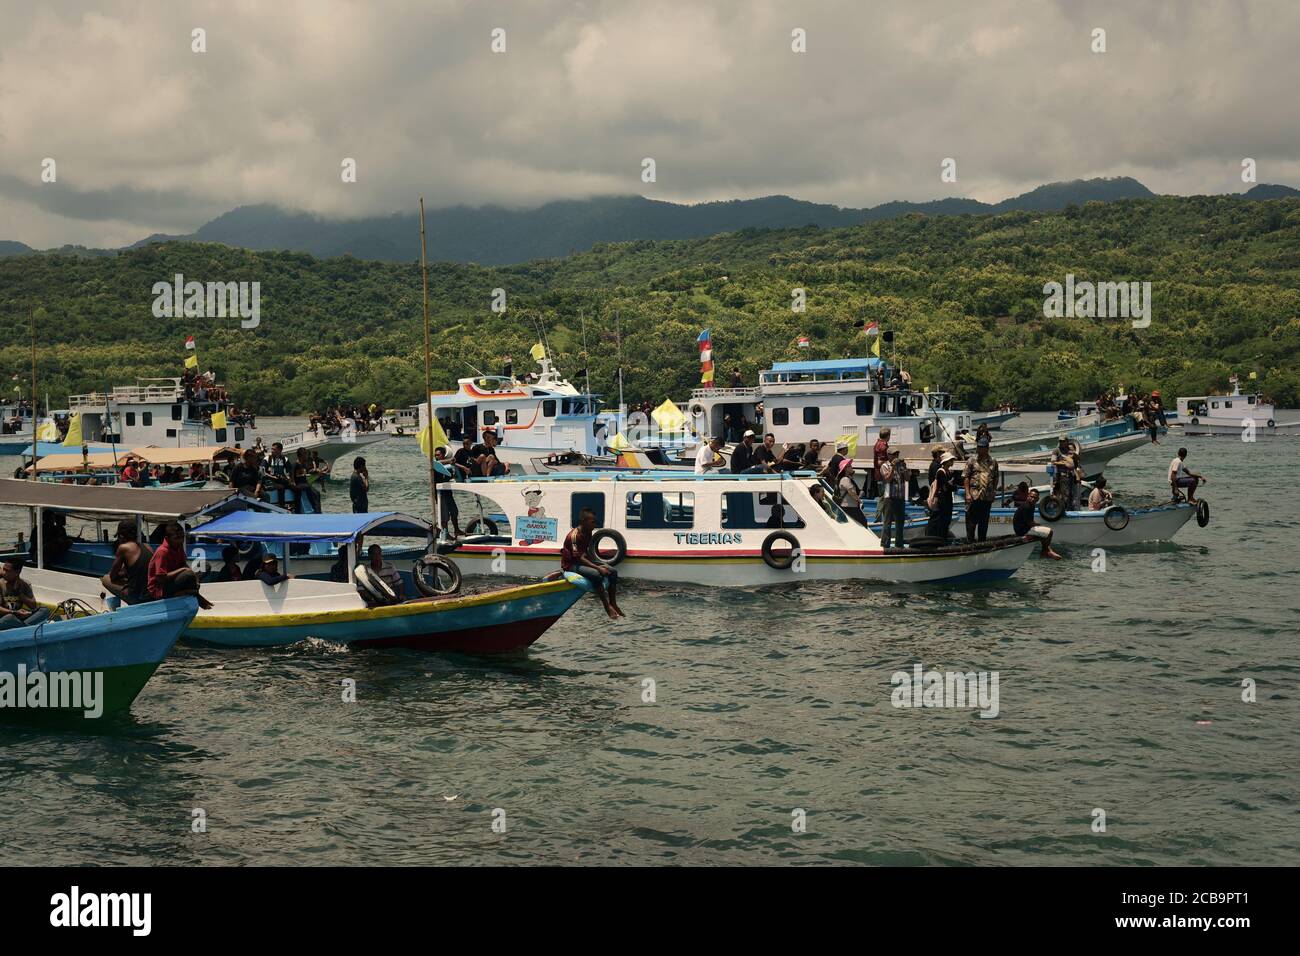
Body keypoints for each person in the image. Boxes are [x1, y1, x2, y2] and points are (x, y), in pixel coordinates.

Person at [561, 508, 623, 619]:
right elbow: (578, 558)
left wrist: (600, 564)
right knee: (596, 575)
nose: (595, 525)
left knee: (613, 572)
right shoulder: (574, 536)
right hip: (572, 564)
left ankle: (613, 603)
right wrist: (598, 568)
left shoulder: (588, 532)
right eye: (592, 522)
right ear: (584, 521)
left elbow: (586, 552)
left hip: (583, 560)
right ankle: (607, 606)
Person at [147, 521, 212, 608]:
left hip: (176, 580)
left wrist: (195, 579)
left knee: (205, 566)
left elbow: (184, 564)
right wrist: (184, 570)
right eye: (176, 538)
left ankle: (191, 591)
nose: (180, 541)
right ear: (168, 538)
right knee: (187, 574)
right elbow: (160, 578)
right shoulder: (162, 551)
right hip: (160, 588)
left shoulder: (178, 546)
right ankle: (191, 593)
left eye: (182, 537)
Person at [101, 518, 153, 604]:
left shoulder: (123, 548)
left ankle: (131, 601)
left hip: (140, 597)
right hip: (153, 593)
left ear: (121, 536)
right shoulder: (147, 546)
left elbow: (112, 576)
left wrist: (121, 574)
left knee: (105, 579)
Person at [963, 436, 999, 543]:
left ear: (987, 448)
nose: (979, 450)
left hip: (986, 495)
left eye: (982, 448)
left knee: (984, 521)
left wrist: (994, 491)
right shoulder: (972, 460)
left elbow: (995, 477)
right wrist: (967, 493)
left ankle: (982, 541)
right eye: (978, 447)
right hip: (974, 494)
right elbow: (966, 477)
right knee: (971, 521)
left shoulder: (993, 461)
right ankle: (970, 541)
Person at [1012, 488, 1062, 560]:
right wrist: (1040, 525)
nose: (1032, 499)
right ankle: (1046, 552)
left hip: (1024, 527)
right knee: (1050, 532)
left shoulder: (1031, 505)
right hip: (1022, 530)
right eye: (1031, 497)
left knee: (1043, 534)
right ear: (1028, 496)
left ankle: (1046, 551)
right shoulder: (1027, 506)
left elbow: (1030, 521)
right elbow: (1030, 523)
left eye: (1034, 498)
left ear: (1037, 499)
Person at [0, 559, 50, 629]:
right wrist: (14, 612)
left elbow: (33, 606)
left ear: (17, 572)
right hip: (4, 619)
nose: (4, 573)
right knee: (9, 617)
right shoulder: (0, 584)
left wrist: (19, 593)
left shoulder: (25, 584)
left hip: (18, 618)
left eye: (7, 571)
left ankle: (22, 628)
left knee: (44, 610)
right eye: (3, 569)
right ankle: (28, 629)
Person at [879, 449, 909, 548]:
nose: (896, 456)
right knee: (887, 522)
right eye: (894, 454)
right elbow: (887, 479)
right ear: (889, 455)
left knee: (900, 522)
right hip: (889, 498)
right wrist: (892, 467)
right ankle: (885, 544)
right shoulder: (884, 466)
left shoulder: (901, 466)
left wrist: (904, 468)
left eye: (897, 454)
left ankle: (899, 544)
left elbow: (908, 479)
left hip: (900, 497)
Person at [925, 452, 957, 540]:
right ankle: (939, 538)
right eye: (951, 460)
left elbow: (950, 486)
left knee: (947, 519)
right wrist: (952, 486)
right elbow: (947, 486)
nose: (952, 462)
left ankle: (943, 537)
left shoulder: (948, 472)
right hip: (942, 499)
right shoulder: (940, 472)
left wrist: (951, 486)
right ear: (946, 461)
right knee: (942, 519)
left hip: (947, 498)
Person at [433, 447, 462, 536]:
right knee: (444, 514)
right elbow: (437, 463)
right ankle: (446, 534)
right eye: (435, 455)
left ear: (443, 455)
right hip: (439, 493)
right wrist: (450, 460)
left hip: (448, 492)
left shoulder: (448, 466)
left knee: (454, 511)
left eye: (438, 455)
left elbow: (452, 475)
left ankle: (456, 530)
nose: (436, 456)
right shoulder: (434, 464)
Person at [1050, 436, 1079, 509]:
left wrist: (1074, 456)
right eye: (1060, 441)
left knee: (1071, 494)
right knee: (1064, 494)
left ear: (1067, 441)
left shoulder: (1070, 450)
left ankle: (1069, 509)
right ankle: (1063, 510)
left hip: (1071, 475)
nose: (1061, 443)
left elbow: (1076, 462)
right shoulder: (1056, 451)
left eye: (1063, 441)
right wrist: (1064, 463)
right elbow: (1053, 462)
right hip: (1062, 475)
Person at [837, 461, 868, 526]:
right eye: (849, 466)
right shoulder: (845, 479)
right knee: (863, 522)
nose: (851, 467)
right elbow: (851, 492)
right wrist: (859, 500)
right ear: (845, 469)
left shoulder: (847, 479)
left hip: (851, 506)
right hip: (849, 506)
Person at [872, 427, 891, 503]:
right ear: (888, 436)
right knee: (884, 495)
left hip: (878, 473)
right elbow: (881, 461)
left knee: (882, 494)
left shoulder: (877, 444)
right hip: (883, 474)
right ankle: (884, 511)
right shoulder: (883, 446)